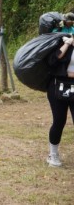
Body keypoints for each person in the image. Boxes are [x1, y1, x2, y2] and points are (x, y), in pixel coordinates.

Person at [46, 16, 74, 167]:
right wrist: (67, 44)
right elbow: (53, 61)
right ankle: (53, 155)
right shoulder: (59, 39)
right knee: (59, 121)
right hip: (58, 87)